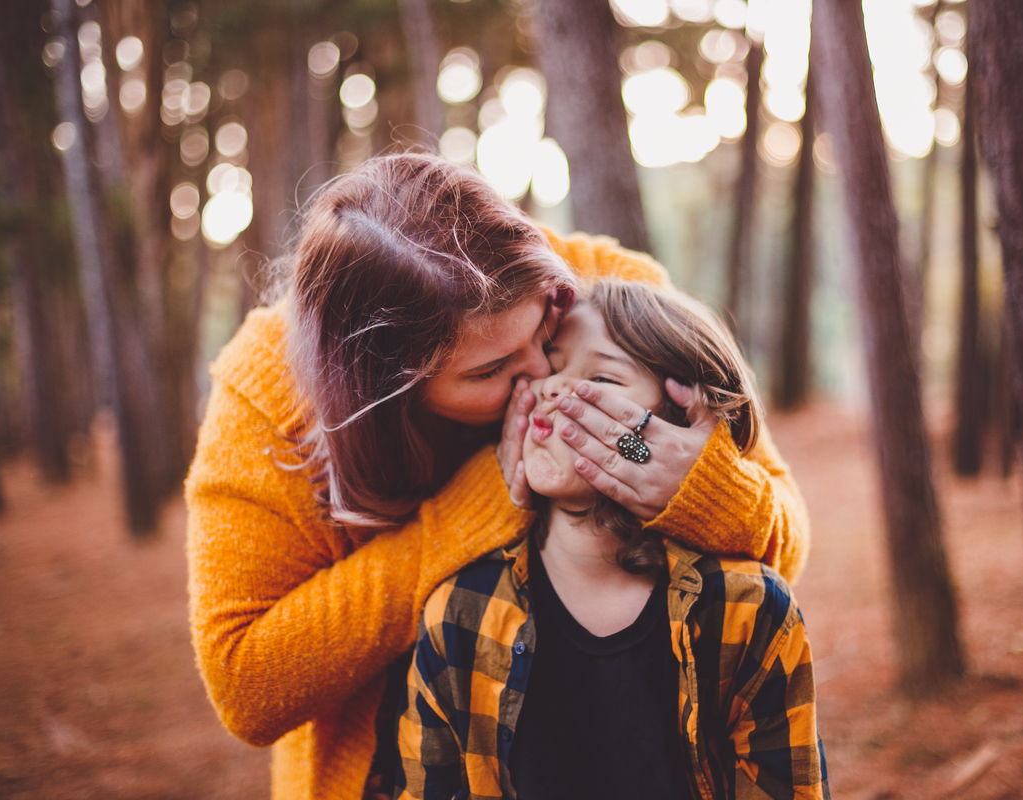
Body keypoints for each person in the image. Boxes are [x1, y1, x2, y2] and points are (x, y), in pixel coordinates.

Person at [185, 154, 811, 800]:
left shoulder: (608, 293)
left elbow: (783, 541)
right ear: (384, 390)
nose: (542, 376)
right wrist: (470, 514)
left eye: (546, 329)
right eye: (490, 371)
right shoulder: (269, 400)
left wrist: (705, 493)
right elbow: (245, 685)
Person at [395, 281, 829, 800]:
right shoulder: (459, 614)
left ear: (681, 428)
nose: (555, 389)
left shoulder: (746, 611)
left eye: (600, 378)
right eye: (551, 368)